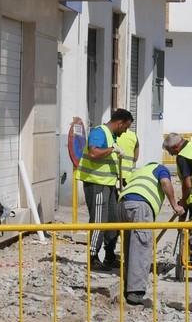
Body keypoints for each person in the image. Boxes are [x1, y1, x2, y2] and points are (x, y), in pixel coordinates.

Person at [119, 162, 185, 305]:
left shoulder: (140, 171)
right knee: (141, 248)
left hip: (123, 204)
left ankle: (127, 285)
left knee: (130, 247)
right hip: (141, 206)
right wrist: (175, 205)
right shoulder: (160, 168)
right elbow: (165, 182)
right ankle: (135, 292)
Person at [78, 108, 134, 269]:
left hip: (108, 184)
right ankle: (93, 257)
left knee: (113, 220)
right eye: (125, 127)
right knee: (99, 220)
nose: (125, 131)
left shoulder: (112, 135)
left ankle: (110, 255)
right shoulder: (99, 132)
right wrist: (111, 149)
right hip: (97, 184)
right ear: (119, 123)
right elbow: (94, 153)